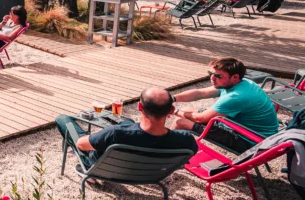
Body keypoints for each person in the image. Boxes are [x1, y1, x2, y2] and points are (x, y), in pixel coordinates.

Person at [55, 88, 197, 163]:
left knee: (63, 119)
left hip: (104, 167)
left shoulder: (117, 134)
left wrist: (100, 136)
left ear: (139, 107)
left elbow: (81, 144)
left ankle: (86, 165)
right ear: (171, 111)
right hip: (151, 174)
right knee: (128, 123)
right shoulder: (186, 139)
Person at [172, 57, 279, 153]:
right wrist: (171, 99)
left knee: (179, 122)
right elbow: (200, 93)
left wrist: (173, 111)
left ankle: (166, 155)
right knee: (187, 109)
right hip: (253, 132)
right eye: (211, 74)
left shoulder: (236, 97)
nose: (212, 78)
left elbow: (200, 119)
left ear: (235, 77)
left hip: (250, 141)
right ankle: (177, 150)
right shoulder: (243, 82)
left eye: (218, 76)